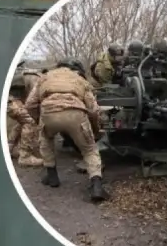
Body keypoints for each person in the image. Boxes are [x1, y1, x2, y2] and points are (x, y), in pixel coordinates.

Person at [24, 58, 109, 201]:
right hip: (75, 114)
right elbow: (93, 110)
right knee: (89, 149)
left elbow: (30, 104)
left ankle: (52, 176)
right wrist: (94, 129)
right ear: (77, 69)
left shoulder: (44, 77)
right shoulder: (81, 80)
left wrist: (39, 120)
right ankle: (96, 186)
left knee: (46, 140)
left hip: (48, 112)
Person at [6, 92, 43, 167]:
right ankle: (25, 157)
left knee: (21, 123)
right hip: (9, 101)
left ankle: (9, 148)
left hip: (11, 99)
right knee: (30, 123)